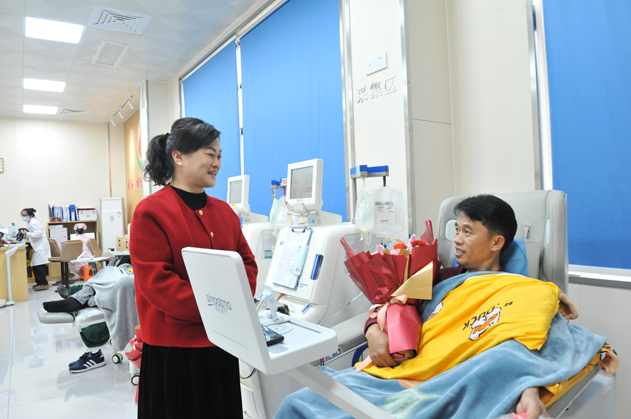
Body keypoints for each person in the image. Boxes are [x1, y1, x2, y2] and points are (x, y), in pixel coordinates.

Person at [363, 195, 555, 418]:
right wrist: (373, 333)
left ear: (496, 243)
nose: (456, 239)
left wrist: (529, 391)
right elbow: (390, 306)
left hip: (455, 383)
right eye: (456, 230)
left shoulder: (516, 291)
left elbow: (524, 345)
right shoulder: (436, 278)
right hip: (404, 374)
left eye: (467, 232)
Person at [129, 117, 257, 419]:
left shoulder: (225, 213)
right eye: (210, 154)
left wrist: (228, 306)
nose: (217, 163)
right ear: (179, 157)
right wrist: (223, 306)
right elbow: (158, 284)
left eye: (219, 156)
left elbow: (247, 266)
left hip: (221, 344)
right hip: (174, 351)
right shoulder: (151, 211)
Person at [21, 208, 51, 291]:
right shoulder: (29, 222)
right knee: (35, 265)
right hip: (37, 246)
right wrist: (26, 235)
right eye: (22, 215)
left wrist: (27, 233)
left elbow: (38, 234)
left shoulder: (34, 222)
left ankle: (43, 283)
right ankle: (39, 283)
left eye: (25, 215)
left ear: (31, 215)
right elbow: (33, 234)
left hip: (41, 246)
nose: (23, 217)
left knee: (39, 265)